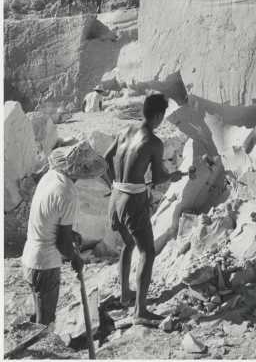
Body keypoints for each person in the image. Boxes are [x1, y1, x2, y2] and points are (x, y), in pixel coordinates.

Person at [104, 92, 187, 324]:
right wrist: (174, 175)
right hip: (132, 201)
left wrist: (116, 183)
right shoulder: (153, 142)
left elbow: (105, 158)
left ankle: (124, 294)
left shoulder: (124, 132)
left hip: (115, 196)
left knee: (128, 244)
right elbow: (159, 178)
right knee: (148, 252)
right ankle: (140, 311)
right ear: (159, 115)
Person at [21, 142, 106, 330]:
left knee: (38, 318)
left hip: (30, 257)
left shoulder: (50, 176)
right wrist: (76, 258)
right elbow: (62, 244)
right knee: (45, 325)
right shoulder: (68, 192)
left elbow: (49, 217)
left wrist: (70, 233)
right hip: (45, 264)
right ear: (83, 171)